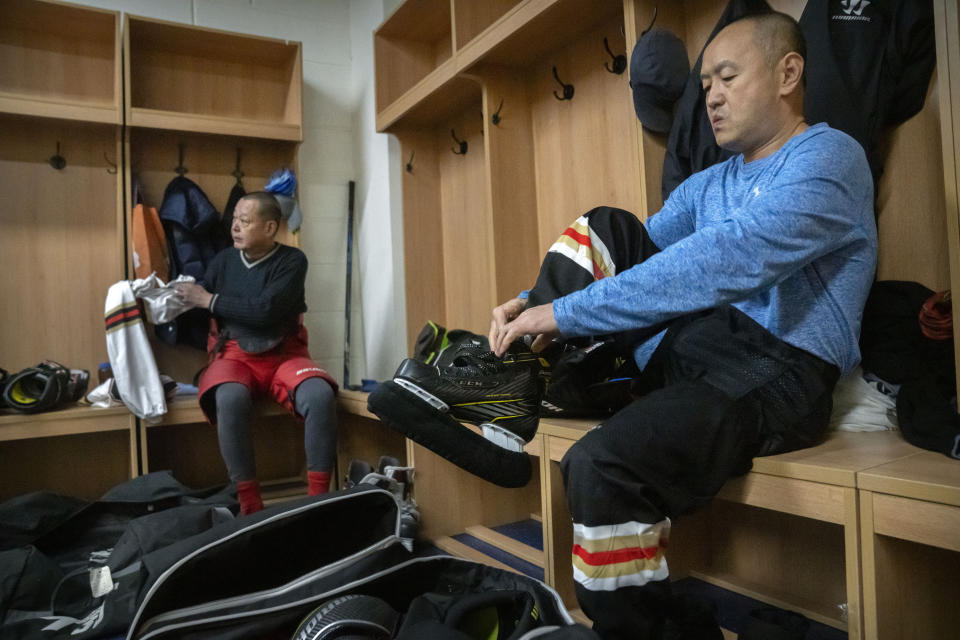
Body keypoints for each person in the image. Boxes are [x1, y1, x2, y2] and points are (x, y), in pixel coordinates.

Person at [489, 13, 876, 640]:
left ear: (788, 72)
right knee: (607, 226)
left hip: (773, 370)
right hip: (693, 350)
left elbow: (726, 263)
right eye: (705, 87)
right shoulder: (710, 183)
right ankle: (515, 375)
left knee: (599, 468)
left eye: (726, 77)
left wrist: (561, 314)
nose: (712, 97)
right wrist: (527, 304)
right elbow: (633, 262)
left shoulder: (830, 157)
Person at [176, 191, 338, 516]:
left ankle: (319, 501)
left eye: (245, 221)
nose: (235, 226)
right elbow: (198, 306)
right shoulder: (222, 261)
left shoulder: (293, 261)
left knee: (320, 396)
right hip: (234, 355)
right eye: (234, 219)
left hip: (285, 354)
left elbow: (265, 311)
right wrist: (169, 299)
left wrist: (209, 300)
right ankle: (249, 502)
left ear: (269, 228)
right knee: (229, 398)